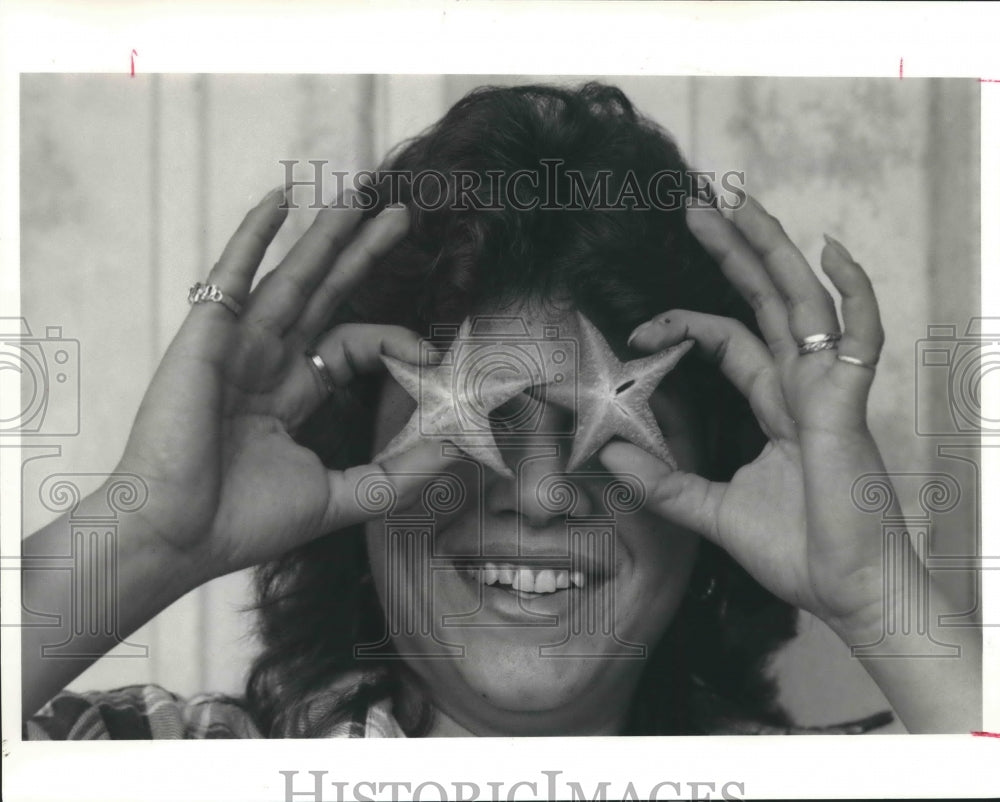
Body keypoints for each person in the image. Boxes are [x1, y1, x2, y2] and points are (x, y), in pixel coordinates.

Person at [22, 82, 980, 739]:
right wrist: (145, 533)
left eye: (606, 435)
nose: (540, 493)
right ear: (354, 464)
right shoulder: (144, 760)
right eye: (471, 425)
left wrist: (877, 596)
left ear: (723, 486)